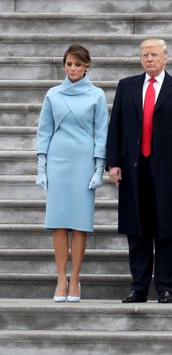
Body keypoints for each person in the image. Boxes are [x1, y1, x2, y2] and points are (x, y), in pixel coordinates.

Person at [106, 38, 172, 304]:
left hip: (167, 170)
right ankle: (139, 286)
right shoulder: (127, 86)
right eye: (145, 55)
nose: (149, 59)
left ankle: (165, 286)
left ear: (165, 58)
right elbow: (116, 127)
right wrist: (113, 163)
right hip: (133, 168)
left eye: (154, 55)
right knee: (137, 231)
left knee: (165, 230)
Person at [36, 44, 109, 302]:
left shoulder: (97, 95)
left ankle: (75, 279)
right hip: (58, 160)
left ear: (86, 65)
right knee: (57, 223)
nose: (73, 68)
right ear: (64, 65)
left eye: (78, 64)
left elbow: (102, 132)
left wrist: (99, 168)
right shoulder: (53, 94)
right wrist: (41, 167)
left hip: (83, 162)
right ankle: (60, 279)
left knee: (79, 224)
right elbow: (44, 130)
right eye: (69, 64)